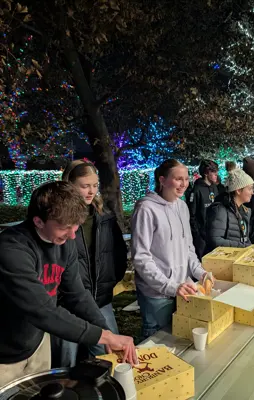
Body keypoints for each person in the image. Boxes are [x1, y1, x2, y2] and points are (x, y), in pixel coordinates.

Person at [0, 181, 137, 388]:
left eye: (76, 226)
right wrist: (104, 336)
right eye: (65, 227)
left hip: (37, 343)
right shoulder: (11, 249)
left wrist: (106, 331)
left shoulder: (66, 241)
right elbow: (42, 310)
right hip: (4, 353)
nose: (73, 235)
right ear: (38, 221)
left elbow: (77, 294)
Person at [51, 160, 127, 368]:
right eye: (85, 185)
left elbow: (118, 252)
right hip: (66, 306)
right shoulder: (57, 219)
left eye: (95, 185)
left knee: (110, 357)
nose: (91, 191)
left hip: (100, 301)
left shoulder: (104, 217)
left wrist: (109, 280)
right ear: (69, 184)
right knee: (65, 363)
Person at [131, 159, 211, 338]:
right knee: (157, 340)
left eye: (186, 179)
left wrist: (200, 273)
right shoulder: (146, 208)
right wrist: (169, 286)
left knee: (178, 339)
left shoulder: (182, 206)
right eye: (178, 179)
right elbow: (141, 258)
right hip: (156, 295)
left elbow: (188, 247)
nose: (184, 184)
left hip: (181, 289)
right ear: (162, 180)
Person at [205, 168, 254, 252]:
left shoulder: (244, 211)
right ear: (238, 190)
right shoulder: (220, 210)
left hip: (238, 258)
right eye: (249, 189)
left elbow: (245, 238)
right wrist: (243, 247)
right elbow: (215, 240)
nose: (252, 192)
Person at [187, 160, 220, 259]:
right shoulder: (196, 190)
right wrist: (197, 233)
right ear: (206, 173)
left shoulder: (215, 188)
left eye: (216, 172)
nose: (216, 175)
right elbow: (192, 214)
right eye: (213, 172)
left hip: (215, 232)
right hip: (201, 235)